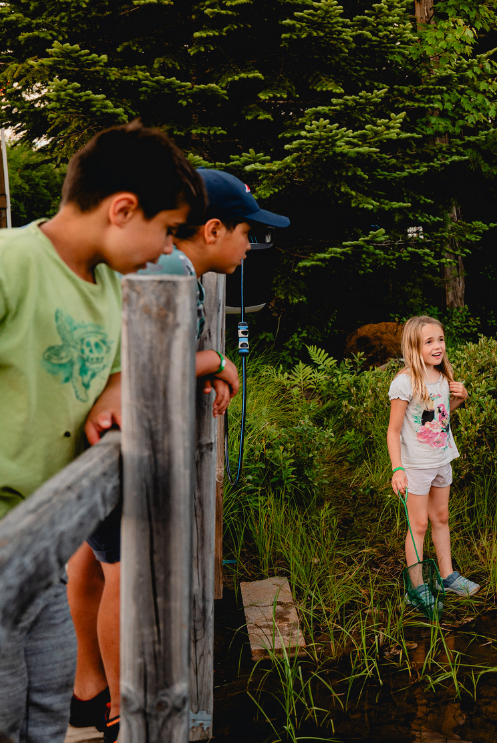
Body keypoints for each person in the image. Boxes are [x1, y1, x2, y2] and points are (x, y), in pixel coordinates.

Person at [65, 168, 289, 742]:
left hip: (84, 430)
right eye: (248, 232)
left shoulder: (160, 262)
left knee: (90, 556)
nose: (252, 245)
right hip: (119, 437)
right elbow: (148, 362)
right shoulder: (169, 268)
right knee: (123, 567)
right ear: (212, 229)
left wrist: (203, 357)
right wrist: (217, 364)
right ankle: (120, 710)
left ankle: (88, 691)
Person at [0, 121, 204, 743]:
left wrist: (114, 395)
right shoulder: (13, 263)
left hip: (48, 548)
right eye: (167, 229)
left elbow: (119, 365)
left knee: (48, 703)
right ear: (122, 210)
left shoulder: (113, 285)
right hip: (4, 541)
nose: (165, 249)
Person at [387, 315, 478, 617]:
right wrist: (397, 469)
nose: (437, 346)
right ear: (414, 346)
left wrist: (459, 400)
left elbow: (438, 420)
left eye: (440, 339)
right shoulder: (404, 382)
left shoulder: (442, 377)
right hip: (415, 466)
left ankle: (447, 576)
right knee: (418, 526)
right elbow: (394, 431)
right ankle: (415, 588)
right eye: (429, 341)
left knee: (441, 517)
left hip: (441, 460)